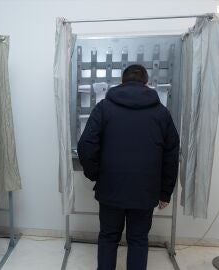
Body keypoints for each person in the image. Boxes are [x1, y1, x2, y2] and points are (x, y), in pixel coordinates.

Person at [77, 64, 180, 270]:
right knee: (139, 239)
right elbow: (171, 155)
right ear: (147, 83)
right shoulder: (161, 113)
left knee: (108, 237)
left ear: (122, 82)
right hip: (145, 190)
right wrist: (165, 192)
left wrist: (97, 174)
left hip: (111, 187)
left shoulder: (104, 108)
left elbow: (85, 146)